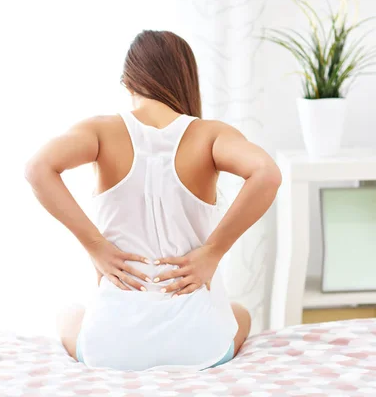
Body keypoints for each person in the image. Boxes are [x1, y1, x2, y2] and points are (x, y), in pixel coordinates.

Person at [24, 30, 281, 371]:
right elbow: (267, 172)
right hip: (200, 345)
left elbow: (38, 168)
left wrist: (95, 245)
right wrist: (212, 253)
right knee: (241, 314)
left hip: (112, 348)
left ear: (128, 82)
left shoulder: (100, 131)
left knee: (67, 314)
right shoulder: (210, 135)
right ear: (186, 80)